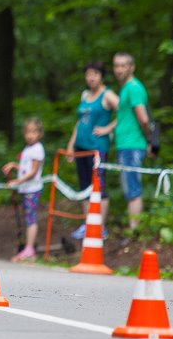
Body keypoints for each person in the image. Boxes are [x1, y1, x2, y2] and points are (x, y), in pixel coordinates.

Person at [65, 61, 118, 238]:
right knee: (84, 186)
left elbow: (125, 111)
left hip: (97, 148)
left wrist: (107, 128)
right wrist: (71, 145)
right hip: (81, 146)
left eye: (95, 74)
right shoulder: (85, 95)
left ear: (101, 76)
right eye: (88, 74)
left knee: (98, 185)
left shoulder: (107, 94)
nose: (91, 77)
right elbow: (80, 122)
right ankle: (87, 224)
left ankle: (100, 226)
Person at [112, 52, 154, 229]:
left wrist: (149, 141)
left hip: (132, 145)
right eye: (116, 65)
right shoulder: (126, 88)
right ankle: (133, 229)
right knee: (129, 188)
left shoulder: (133, 87)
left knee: (133, 190)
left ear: (132, 67)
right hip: (125, 144)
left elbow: (143, 118)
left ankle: (134, 231)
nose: (119, 69)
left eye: (123, 65)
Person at [2, 117, 45, 261]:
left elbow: (33, 172)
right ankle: (28, 247)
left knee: (31, 218)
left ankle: (29, 249)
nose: (30, 135)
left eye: (33, 132)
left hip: (32, 189)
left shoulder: (38, 149)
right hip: (26, 189)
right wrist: (16, 166)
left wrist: (17, 181)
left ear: (39, 133)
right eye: (27, 132)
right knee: (28, 218)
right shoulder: (28, 149)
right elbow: (26, 168)